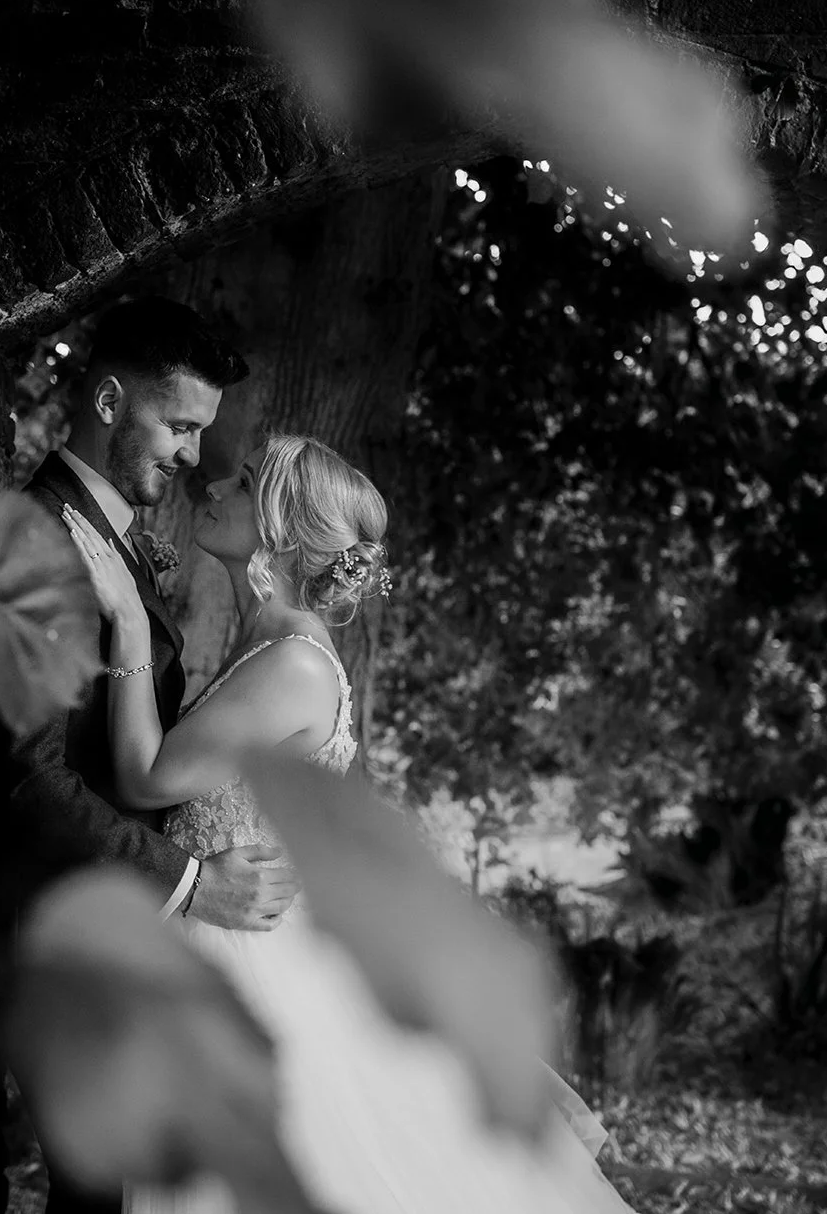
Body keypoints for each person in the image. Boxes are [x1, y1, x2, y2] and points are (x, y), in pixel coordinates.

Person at [60, 434, 634, 1214]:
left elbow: (146, 775)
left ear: (282, 530)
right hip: (222, 928)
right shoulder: (266, 641)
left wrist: (129, 623)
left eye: (245, 481)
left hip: (249, 952)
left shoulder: (294, 663)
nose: (213, 485)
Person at [0, 297, 303, 1214]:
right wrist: (190, 883)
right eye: (179, 425)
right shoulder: (37, 541)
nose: (192, 454)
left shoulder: (106, 538)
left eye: (201, 430)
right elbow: (29, 777)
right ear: (108, 402)